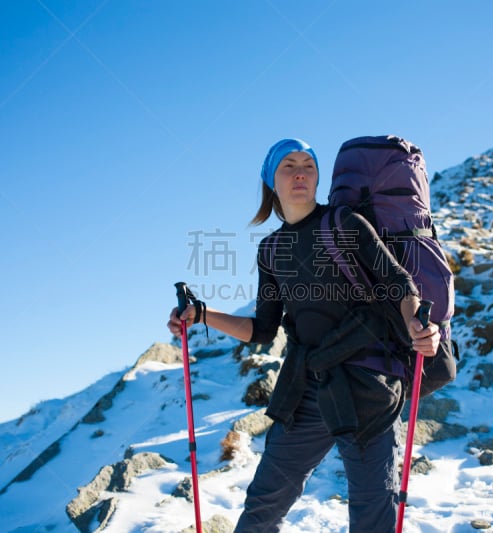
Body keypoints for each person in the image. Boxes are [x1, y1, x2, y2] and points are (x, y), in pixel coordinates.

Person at [168, 138, 441, 532]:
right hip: (306, 388)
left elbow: (397, 283)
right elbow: (262, 330)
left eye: (308, 166)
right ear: (271, 183)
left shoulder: (344, 223)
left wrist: (418, 323)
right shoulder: (272, 248)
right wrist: (203, 315)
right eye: (288, 167)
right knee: (262, 505)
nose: (300, 174)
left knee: (371, 514)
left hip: (368, 386)